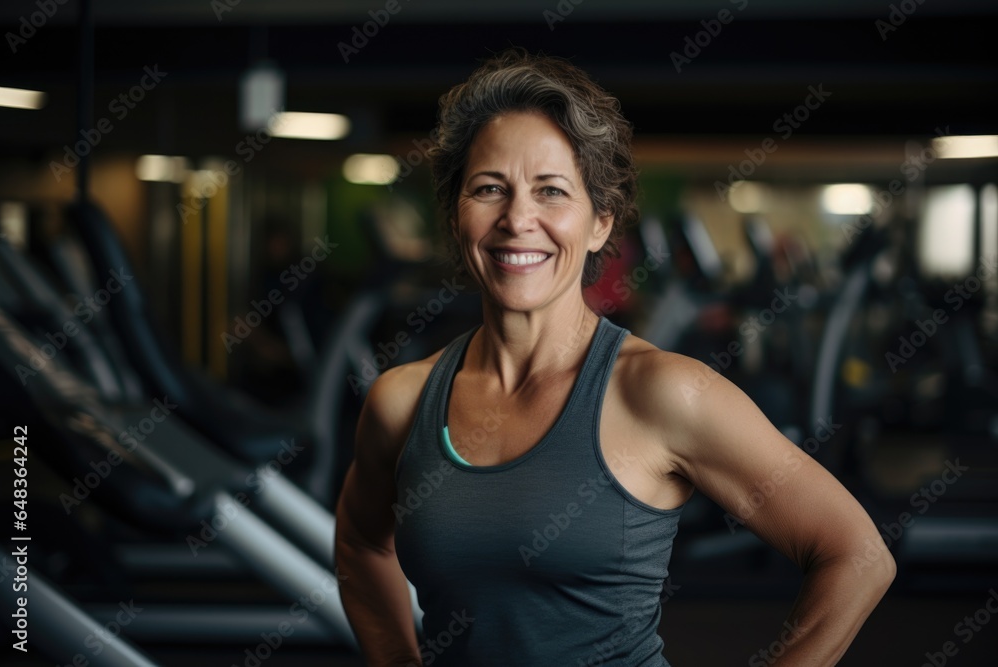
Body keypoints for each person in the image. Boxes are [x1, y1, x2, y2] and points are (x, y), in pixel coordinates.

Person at [335, 48, 894, 666]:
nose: (518, 218)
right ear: (456, 215)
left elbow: (856, 556)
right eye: (490, 188)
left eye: (551, 191)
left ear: (601, 222)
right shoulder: (402, 400)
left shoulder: (661, 392)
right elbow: (363, 546)